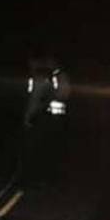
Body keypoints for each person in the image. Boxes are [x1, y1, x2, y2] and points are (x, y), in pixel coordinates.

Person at [22, 53, 70, 183]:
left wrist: (35, 112)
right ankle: (39, 177)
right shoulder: (42, 77)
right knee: (40, 149)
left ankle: (45, 177)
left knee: (46, 149)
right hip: (45, 119)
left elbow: (61, 95)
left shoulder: (57, 77)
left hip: (51, 119)